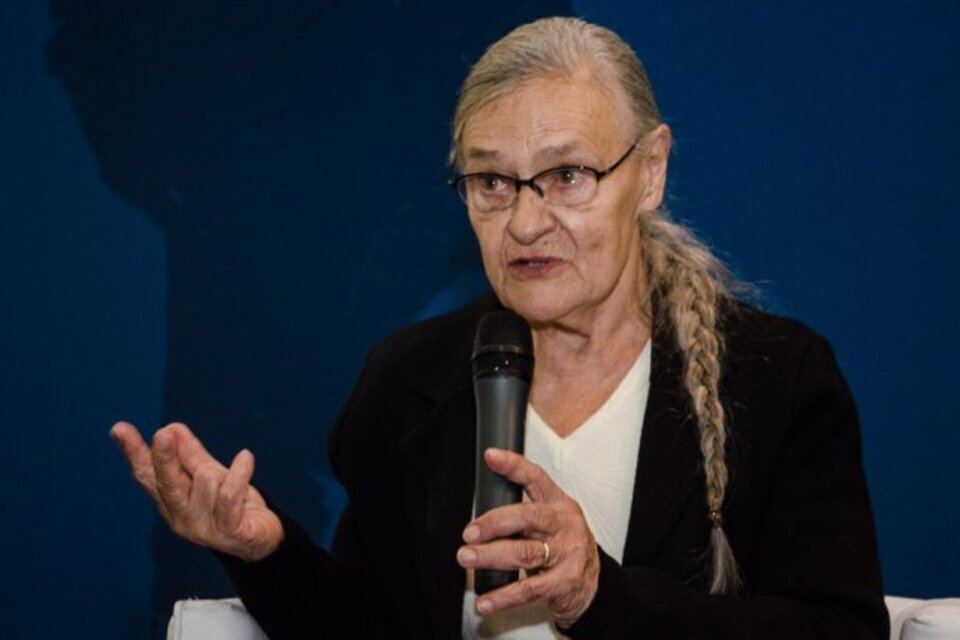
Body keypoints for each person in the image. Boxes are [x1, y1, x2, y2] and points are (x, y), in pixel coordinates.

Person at [112, 16, 888, 639]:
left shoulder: (775, 378)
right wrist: (265, 551)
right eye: (492, 181)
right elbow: (372, 624)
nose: (524, 222)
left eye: (568, 176)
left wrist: (600, 596)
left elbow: (839, 630)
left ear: (651, 171)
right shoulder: (407, 381)